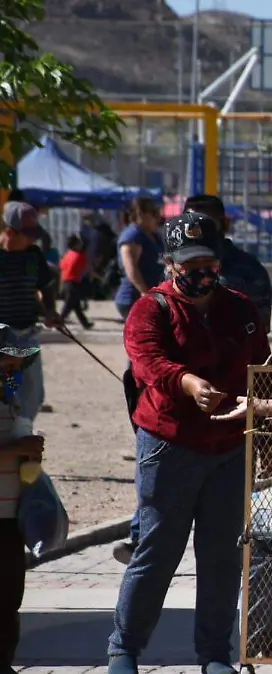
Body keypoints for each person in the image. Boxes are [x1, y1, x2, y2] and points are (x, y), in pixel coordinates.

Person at [107, 212, 269, 674]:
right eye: (189, 263)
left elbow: (261, 372)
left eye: (208, 263)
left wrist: (264, 428)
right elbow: (148, 363)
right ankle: (124, 649)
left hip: (230, 448)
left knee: (221, 557)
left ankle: (215, 655)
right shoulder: (150, 310)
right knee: (158, 552)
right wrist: (188, 383)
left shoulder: (240, 309)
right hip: (169, 446)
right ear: (170, 264)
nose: (199, 273)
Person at [0, 324, 44, 674]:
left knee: (9, 596)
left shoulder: (11, 403)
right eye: (6, 364)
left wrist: (30, 457)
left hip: (9, 515)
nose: (12, 372)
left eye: (16, 367)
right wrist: (17, 449)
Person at [0, 201, 61, 425]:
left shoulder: (33, 255)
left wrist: (50, 310)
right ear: (9, 231)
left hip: (27, 336)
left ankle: (22, 432)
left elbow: (45, 285)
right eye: (28, 234)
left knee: (33, 394)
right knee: (8, 391)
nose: (33, 239)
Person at [183, 195, 272, 332]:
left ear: (225, 224)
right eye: (190, 225)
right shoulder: (175, 268)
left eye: (206, 224)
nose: (198, 231)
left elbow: (259, 328)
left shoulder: (249, 269)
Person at [115, 197, 165, 320]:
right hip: (134, 298)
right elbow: (131, 267)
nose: (158, 218)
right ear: (141, 214)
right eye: (154, 213)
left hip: (153, 297)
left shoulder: (154, 235)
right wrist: (144, 292)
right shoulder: (133, 235)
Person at [58, 234, 94, 329]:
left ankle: (85, 323)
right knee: (69, 305)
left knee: (76, 305)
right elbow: (88, 269)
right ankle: (59, 321)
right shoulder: (80, 256)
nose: (81, 244)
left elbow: (62, 269)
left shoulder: (66, 255)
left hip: (66, 282)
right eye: (79, 243)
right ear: (75, 244)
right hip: (73, 283)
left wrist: (60, 285)